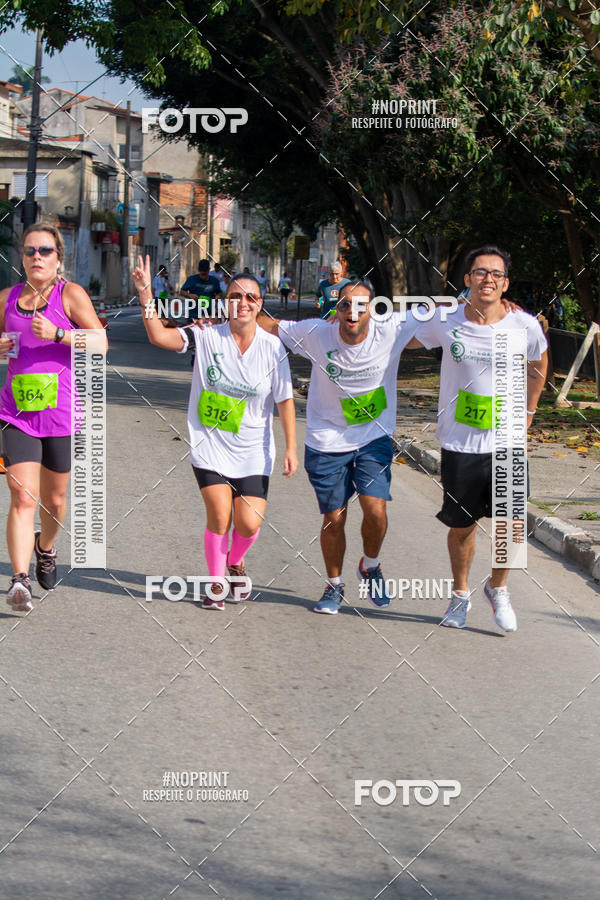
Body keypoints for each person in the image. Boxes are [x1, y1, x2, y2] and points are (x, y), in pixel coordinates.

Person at [133, 256, 298, 610]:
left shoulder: (272, 348)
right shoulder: (206, 335)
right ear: (226, 302)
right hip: (210, 446)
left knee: (249, 524)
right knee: (221, 516)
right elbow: (158, 335)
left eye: (251, 297)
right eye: (236, 296)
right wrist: (146, 292)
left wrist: (290, 447)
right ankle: (216, 582)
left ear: (260, 305)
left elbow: (285, 399)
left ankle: (235, 560)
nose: (243, 303)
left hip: (254, 449)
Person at [257, 281, 421, 614]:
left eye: (361, 305)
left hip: (372, 437)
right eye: (345, 304)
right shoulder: (317, 333)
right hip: (326, 438)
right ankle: (334, 586)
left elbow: (445, 315)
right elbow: (269, 325)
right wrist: (227, 315)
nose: (352, 311)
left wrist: (500, 309)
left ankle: (370, 565)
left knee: (375, 509)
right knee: (334, 517)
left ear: (373, 310)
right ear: (337, 309)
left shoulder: (391, 328)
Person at [411, 246, 548, 632]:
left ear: (505, 283)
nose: (488, 278)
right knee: (462, 526)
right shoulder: (445, 321)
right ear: (468, 279)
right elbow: (402, 340)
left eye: (496, 274)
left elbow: (540, 362)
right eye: (480, 272)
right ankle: (459, 595)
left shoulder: (523, 326)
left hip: (507, 441)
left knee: (512, 527)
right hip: (460, 443)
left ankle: (498, 589)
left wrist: (530, 412)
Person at [0, 224, 107, 611]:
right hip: (18, 415)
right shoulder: (6, 300)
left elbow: (101, 342)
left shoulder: (70, 295)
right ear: (22, 257)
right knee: (21, 495)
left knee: (55, 501)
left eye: (45, 250)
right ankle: (20, 580)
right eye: (29, 251)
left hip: (62, 416)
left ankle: (45, 546)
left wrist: (60, 334)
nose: (37, 257)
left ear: (57, 257)